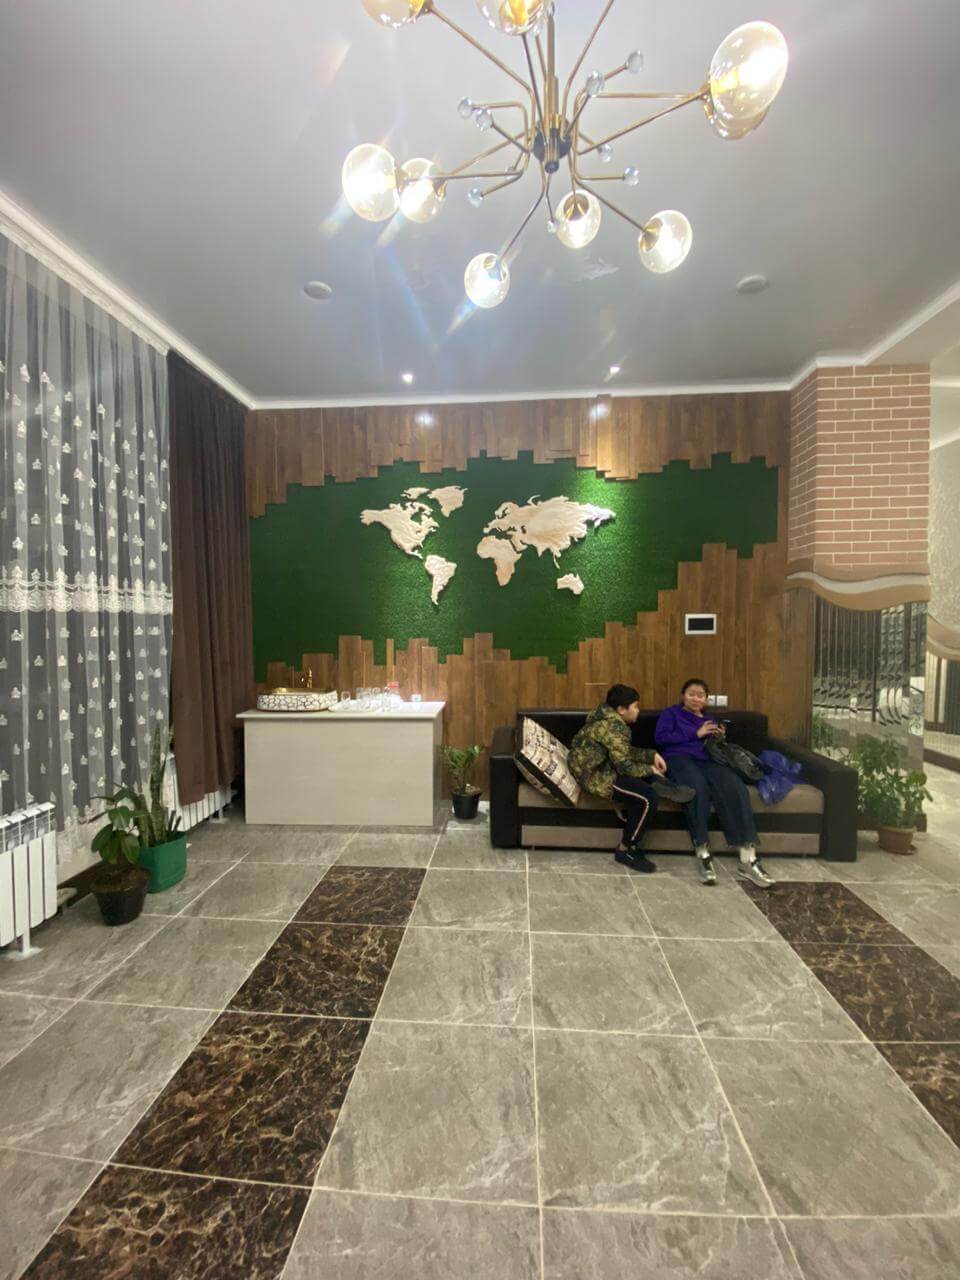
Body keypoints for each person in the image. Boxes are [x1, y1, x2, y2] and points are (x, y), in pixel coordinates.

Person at [655, 678, 776, 888]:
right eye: (691, 694)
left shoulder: (709, 719)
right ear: (683, 696)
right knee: (697, 788)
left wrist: (718, 738)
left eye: (700, 695)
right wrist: (696, 733)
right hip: (678, 759)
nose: (695, 698)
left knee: (735, 787)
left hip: (707, 760)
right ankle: (703, 851)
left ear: (706, 699)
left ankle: (748, 858)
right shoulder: (670, 714)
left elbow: (713, 748)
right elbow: (661, 739)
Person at [568, 684, 690, 873]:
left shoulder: (605, 717)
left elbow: (621, 751)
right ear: (622, 709)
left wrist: (651, 756)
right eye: (636, 706)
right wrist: (649, 769)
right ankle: (626, 849)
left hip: (600, 765)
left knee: (644, 779)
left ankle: (662, 785)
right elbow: (624, 765)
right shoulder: (614, 727)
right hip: (595, 776)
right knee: (648, 798)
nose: (638, 710)